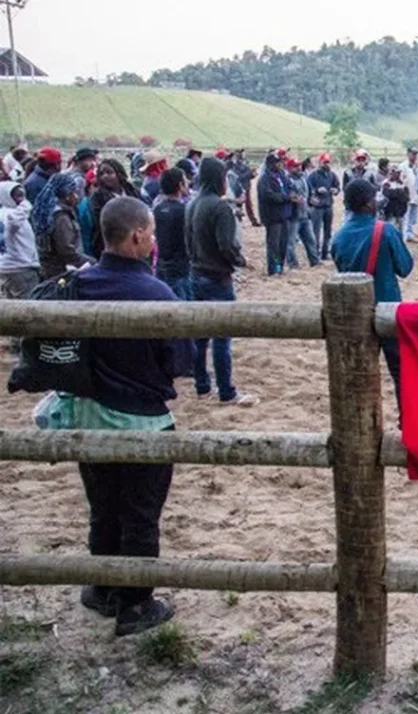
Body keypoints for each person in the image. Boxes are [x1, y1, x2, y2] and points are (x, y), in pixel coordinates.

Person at [71, 196, 194, 636]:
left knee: (103, 508)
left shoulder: (79, 285)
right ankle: (136, 605)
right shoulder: (156, 294)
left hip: (87, 416)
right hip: (142, 420)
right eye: (152, 233)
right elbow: (178, 361)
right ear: (139, 235)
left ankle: (102, 588)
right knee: (140, 514)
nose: (154, 240)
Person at [331, 179, 414, 416]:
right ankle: (406, 420)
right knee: (400, 371)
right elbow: (405, 268)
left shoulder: (337, 237)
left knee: (358, 376)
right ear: (368, 205)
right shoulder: (386, 231)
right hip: (387, 310)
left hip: (354, 314)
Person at [186, 157, 258, 407]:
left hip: (196, 274)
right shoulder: (220, 208)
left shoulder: (191, 205)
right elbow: (226, 245)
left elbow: (189, 243)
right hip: (217, 277)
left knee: (200, 335)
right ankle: (226, 391)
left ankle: (201, 386)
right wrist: (241, 260)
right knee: (222, 337)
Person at [39, 175, 92, 280]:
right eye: (74, 193)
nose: (77, 197)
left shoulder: (48, 210)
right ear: (67, 195)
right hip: (60, 271)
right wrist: (91, 263)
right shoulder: (60, 217)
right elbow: (67, 250)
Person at [89, 159, 142, 259]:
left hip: (136, 241)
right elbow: (100, 220)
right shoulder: (97, 197)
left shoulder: (132, 191)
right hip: (110, 244)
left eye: (109, 172)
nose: (105, 176)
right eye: (101, 174)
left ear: (119, 173)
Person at [153, 168, 191, 300]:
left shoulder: (157, 209)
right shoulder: (184, 211)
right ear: (180, 186)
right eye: (185, 181)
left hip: (161, 265)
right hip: (180, 269)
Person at [257, 153, 295, 276]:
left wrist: (292, 195)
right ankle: (273, 269)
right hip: (272, 216)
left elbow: (290, 186)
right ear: (271, 164)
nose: (280, 164)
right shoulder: (264, 179)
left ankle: (280, 267)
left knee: (283, 243)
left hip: (285, 214)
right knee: (274, 245)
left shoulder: (282, 176)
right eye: (278, 162)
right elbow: (268, 196)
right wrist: (287, 197)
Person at [0, 182, 38, 302]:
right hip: (21, 267)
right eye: (17, 195)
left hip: (7, 266)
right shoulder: (11, 214)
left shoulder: (3, 213)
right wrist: (26, 205)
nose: (21, 199)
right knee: (28, 309)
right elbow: (14, 222)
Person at [284, 159, 319, 269]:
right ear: (289, 168)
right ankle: (293, 264)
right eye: (295, 166)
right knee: (291, 242)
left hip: (305, 214)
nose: (298, 168)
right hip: (293, 215)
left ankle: (315, 261)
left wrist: (312, 200)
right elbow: (286, 195)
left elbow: (310, 192)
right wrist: (292, 198)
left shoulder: (304, 178)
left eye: (298, 166)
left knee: (311, 239)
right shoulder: (287, 180)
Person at [307, 153, 340, 261]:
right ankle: (315, 252)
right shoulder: (313, 175)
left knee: (328, 231)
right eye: (324, 162)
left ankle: (325, 252)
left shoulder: (332, 175)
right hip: (317, 207)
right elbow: (308, 189)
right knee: (315, 231)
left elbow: (337, 186)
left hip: (328, 205)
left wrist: (335, 190)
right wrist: (317, 190)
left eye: (327, 162)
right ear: (320, 162)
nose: (326, 164)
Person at [398, 147, 418, 245]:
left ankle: (410, 235)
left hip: (416, 195)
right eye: (413, 154)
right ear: (408, 154)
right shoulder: (402, 166)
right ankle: (403, 236)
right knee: (405, 215)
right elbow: (400, 180)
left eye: (416, 154)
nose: (414, 156)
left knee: (413, 216)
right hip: (406, 195)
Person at [233, 149, 260, 227]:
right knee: (239, 205)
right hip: (240, 187)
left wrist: (252, 175)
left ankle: (253, 221)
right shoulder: (236, 164)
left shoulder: (245, 162)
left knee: (249, 205)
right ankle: (239, 222)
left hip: (247, 186)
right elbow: (239, 177)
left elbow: (247, 176)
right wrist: (249, 173)